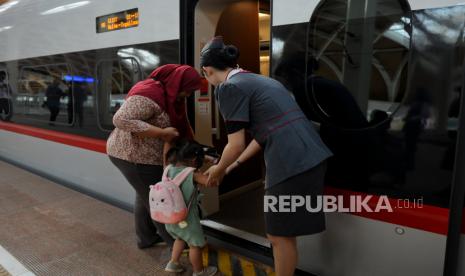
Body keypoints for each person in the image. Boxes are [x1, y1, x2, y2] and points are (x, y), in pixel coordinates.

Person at [201, 37, 332, 276]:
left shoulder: (228, 88)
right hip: (309, 154)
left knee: (278, 235)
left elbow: (235, 144)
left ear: (206, 71)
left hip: (291, 161)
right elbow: (263, 134)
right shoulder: (261, 80)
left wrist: (218, 169)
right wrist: (232, 166)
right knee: (282, 233)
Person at [107, 64, 202, 249]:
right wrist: (161, 133)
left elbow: (182, 127)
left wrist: (196, 149)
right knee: (161, 199)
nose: (188, 95)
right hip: (132, 156)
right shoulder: (149, 95)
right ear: (178, 84)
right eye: (188, 91)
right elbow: (120, 119)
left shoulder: (169, 96)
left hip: (142, 156)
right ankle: (177, 245)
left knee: (145, 195)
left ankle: (146, 238)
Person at [163, 139, 218, 276]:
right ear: (194, 161)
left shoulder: (168, 168)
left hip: (171, 217)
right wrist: (219, 168)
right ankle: (199, 272)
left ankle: (173, 263)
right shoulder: (193, 175)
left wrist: (207, 159)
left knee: (180, 238)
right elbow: (211, 183)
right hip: (188, 219)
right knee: (195, 245)